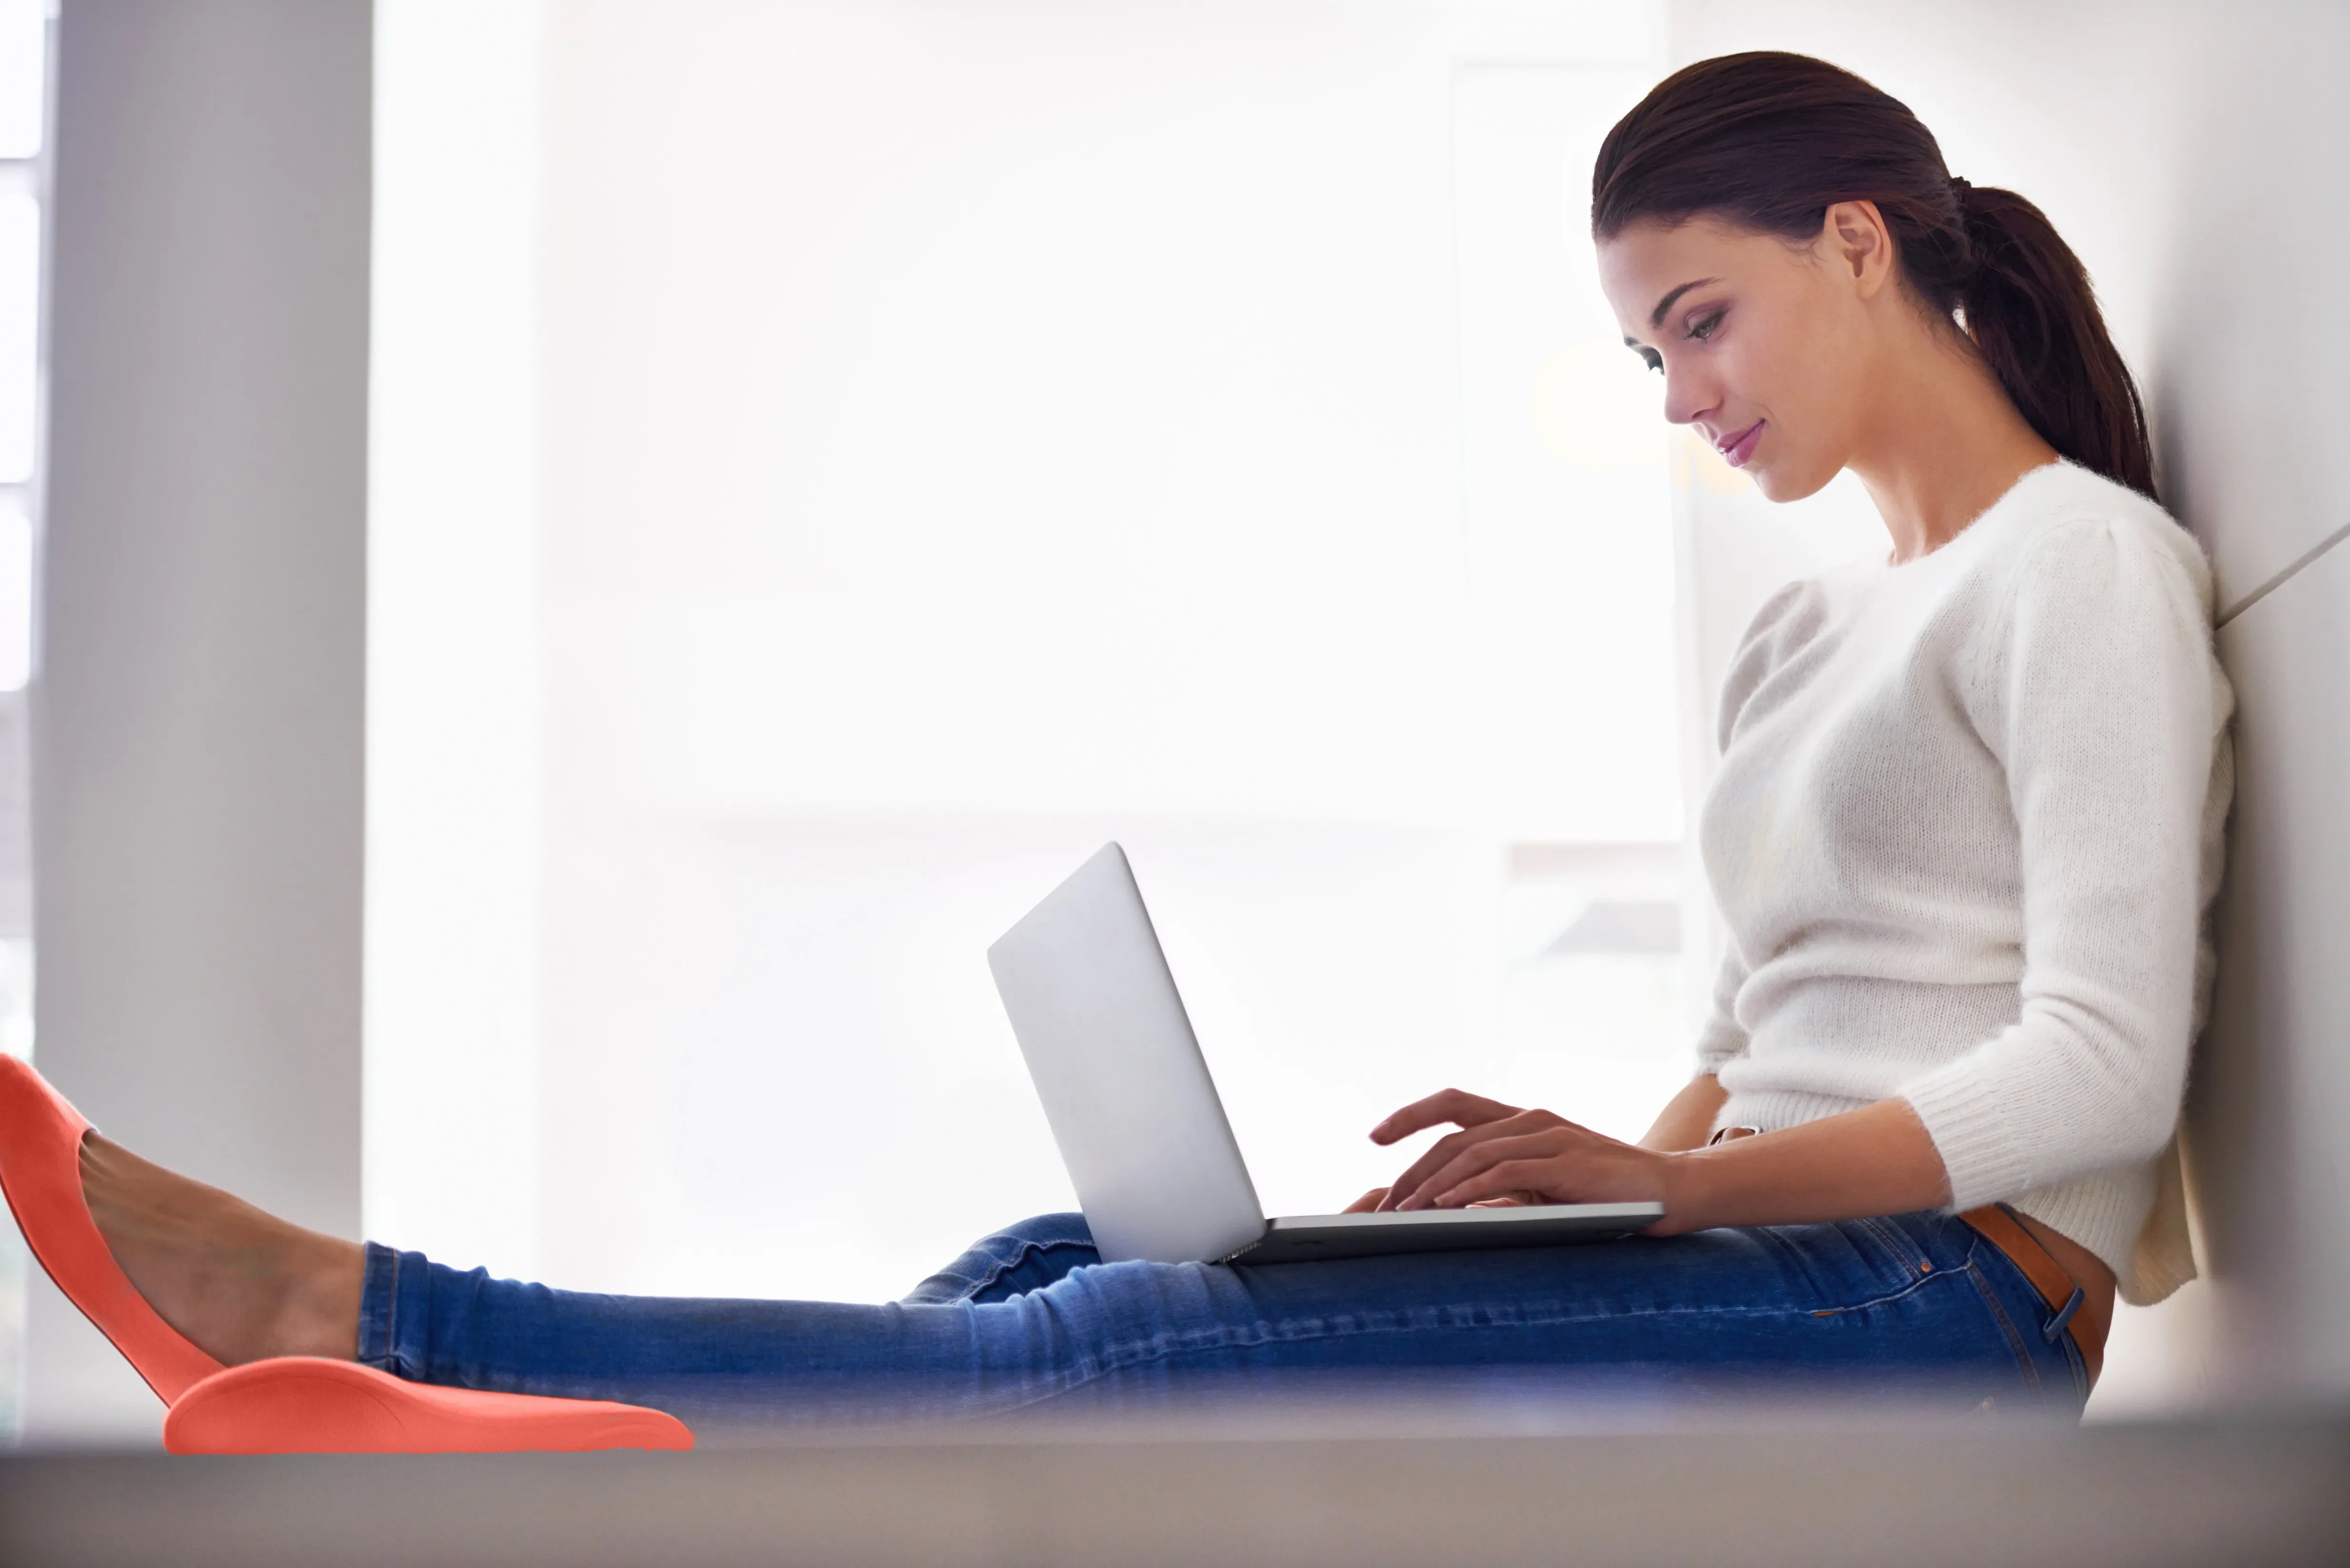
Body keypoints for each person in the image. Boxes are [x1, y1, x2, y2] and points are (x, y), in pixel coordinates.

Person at [12, 51, 2232, 1427]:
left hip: (1951, 1307)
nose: (1677, 394)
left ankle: (374, 1318)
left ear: (1858, 243)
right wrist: (1547, 1212)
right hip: (1770, 1249)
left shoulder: (2085, 566)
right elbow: (1758, 1035)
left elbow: (2103, 1074)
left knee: (1125, 1348)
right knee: (1045, 1260)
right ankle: (580, 1453)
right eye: (1648, 350)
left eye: (1694, 322)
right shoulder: (1796, 641)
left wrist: (1671, 1191)